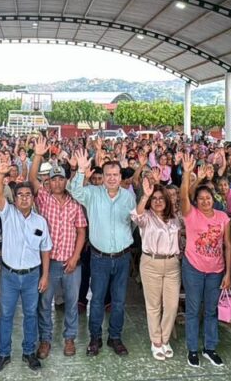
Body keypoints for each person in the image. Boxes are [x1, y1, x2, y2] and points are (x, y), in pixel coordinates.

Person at [68, 148, 136, 357]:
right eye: (108, 175)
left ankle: (115, 337)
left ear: (120, 176)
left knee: (118, 301)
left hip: (123, 257)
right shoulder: (92, 194)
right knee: (97, 299)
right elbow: (74, 191)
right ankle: (95, 337)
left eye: (116, 175)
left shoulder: (128, 198)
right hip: (99, 258)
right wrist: (80, 170)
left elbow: (132, 225)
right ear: (103, 177)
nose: (112, 178)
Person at [0, 158, 51, 373]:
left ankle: (28, 352)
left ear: (33, 199)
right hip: (9, 275)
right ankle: (3, 353)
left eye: (28, 195)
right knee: (5, 315)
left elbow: (45, 249)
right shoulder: (7, 214)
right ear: (14, 199)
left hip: (32, 276)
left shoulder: (40, 222)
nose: (24, 199)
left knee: (31, 314)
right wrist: (0, 174)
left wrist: (45, 275)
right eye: (20, 195)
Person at [28, 139, 86, 360]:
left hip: (71, 263)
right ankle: (45, 340)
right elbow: (32, 179)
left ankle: (69, 338)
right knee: (45, 303)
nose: (58, 182)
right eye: (54, 179)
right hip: (49, 263)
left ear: (66, 181)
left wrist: (75, 257)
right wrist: (38, 155)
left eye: (62, 178)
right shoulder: (43, 198)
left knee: (71, 303)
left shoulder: (75, 203)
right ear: (49, 182)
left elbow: (81, 232)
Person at [178, 153, 231, 367]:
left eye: (207, 198)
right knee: (192, 309)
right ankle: (192, 349)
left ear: (213, 198)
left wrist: (228, 273)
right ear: (197, 201)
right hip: (193, 267)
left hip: (216, 270)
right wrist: (188, 176)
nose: (205, 201)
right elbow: (183, 198)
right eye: (200, 199)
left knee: (210, 310)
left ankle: (210, 347)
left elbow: (227, 245)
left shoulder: (222, 217)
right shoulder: (190, 214)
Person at [131, 174, 181, 360]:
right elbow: (136, 215)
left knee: (171, 305)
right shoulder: (146, 217)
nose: (158, 202)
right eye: (155, 199)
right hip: (151, 262)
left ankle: (165, 338)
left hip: (172, 264)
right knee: (154, 305)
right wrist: (145, 195)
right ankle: (156, 341)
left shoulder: (174, 218)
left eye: (161, 198)